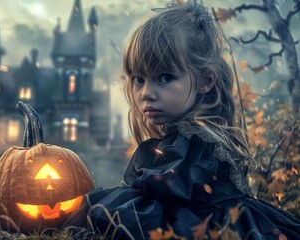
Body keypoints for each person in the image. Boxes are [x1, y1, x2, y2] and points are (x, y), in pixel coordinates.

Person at [63, 0, 300, 239]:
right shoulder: (185, 137)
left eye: (165, 77)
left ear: (204, 80)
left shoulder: (196, 143)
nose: (146, 93)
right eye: (138, 79)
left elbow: (159, 196)